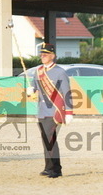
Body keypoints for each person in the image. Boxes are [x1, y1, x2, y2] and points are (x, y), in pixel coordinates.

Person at [27, 43, 73, 178]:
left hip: (54, 111)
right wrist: (30, 90)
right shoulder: (38, 71)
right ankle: (48, 167)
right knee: (45, 140)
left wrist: (69, 112)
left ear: (52, 56)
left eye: (45, 54)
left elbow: (67, 93)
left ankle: (56, 169)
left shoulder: (60, 72)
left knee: (50, 140)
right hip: (41, 111)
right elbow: (34, 88)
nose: (42, 56)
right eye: (41, 54)